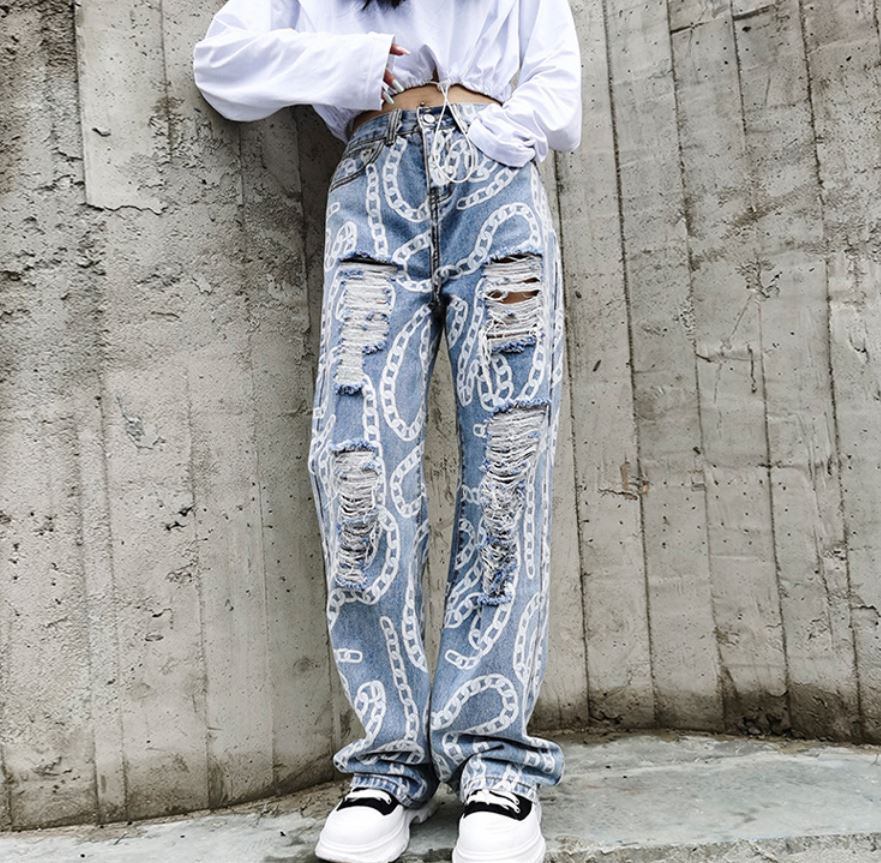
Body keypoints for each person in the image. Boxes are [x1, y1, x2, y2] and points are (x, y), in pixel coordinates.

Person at [193, 0, 582, 859]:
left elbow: (557, 77)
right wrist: (353, 66)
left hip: (496, 187)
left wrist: (495, 135)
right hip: (375, 189)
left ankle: (494, 758)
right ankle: (387, 760)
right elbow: (220, 63)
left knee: (508, 465)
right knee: (355, 466)